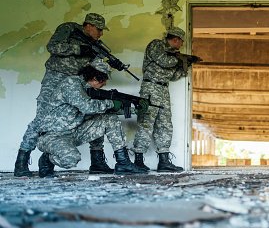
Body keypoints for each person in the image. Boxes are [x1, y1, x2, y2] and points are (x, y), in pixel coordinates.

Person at [14, 13, 113, 177]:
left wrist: (107, 63)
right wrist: (79, 48)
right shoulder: (68, 29)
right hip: (55, 77)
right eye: (99, 29)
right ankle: (22, 161)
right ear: (88, 26)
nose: (101, 33)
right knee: (41, 119)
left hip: (76, 81)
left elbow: (93, 67)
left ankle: (97, 162)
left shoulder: (95, 45)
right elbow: (53, 46)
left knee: (89, 113)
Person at [36, 58, 147, 177]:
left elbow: (103, 109)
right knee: (70, 159)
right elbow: (87, 107)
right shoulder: (71, 83)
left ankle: (122, 163)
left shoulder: (89, 89)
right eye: (103, 79)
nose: (105, 83)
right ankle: (47, 158)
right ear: (95, 78)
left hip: (75, 132)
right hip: (53, 135)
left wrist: (134, 110)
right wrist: (110, 103)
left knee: (110, 119)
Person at [131, 27, 189, 172]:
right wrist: (180, 59)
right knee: (146, 122)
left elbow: (174, 76)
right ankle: (138, 161)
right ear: (176, 39)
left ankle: (164, 161)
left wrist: (185, 65)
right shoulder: (157, 45)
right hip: (150, 87)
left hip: (163, 89)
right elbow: (163, 61)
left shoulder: (173, 56)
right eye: (181, 41)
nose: (182, 44)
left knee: (165, 124)